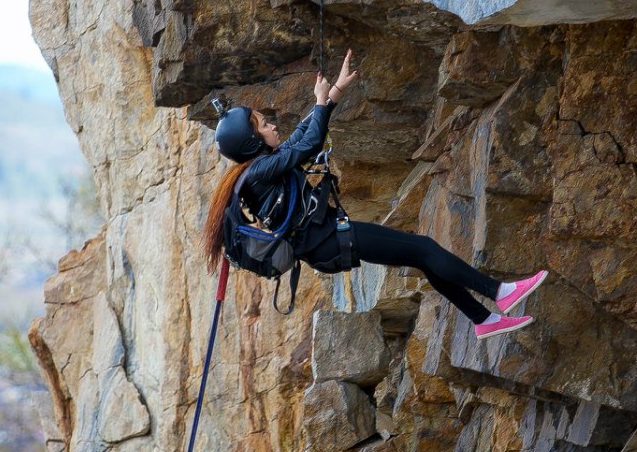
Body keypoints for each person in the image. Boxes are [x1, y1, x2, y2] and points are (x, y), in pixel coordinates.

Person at [201, 50, 547, 339]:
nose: (272, 125)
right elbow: (307, 145)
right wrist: (321, 104)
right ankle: (498, 293)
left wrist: (331, 94)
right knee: (423, 248)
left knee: (421, 256)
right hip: (327, 240)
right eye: (263, 124)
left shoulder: (260, 166)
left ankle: (484, 321)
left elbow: (297, 141)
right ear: (251, 141)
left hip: (325, 239)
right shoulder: (257, 173)